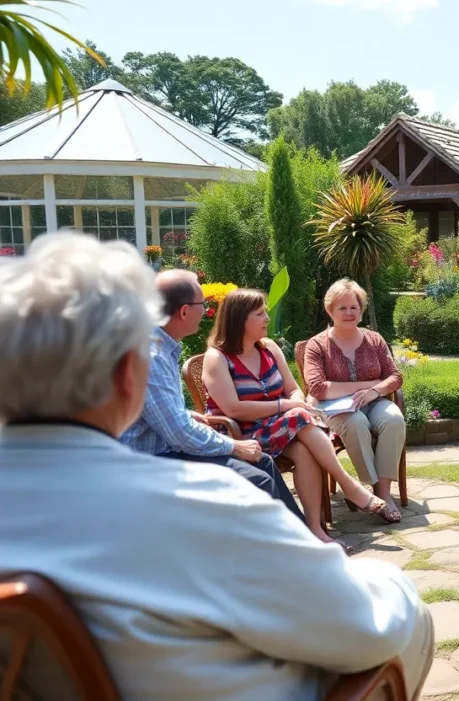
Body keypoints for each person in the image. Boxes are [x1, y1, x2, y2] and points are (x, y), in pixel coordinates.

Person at [0, 233, 433, 701]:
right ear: (130, 374)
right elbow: (364, 630)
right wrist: (389, 582)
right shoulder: (208, 503)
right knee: (410, 621)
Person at [202, 288, 391, 549]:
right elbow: (233, 409)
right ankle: (350, 487)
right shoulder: (217, 358)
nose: (267, 318)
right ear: (239, 319)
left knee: (304, 450)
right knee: (300, 416)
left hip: (276, 427)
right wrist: (285, 405)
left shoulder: (268, 348)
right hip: (239, 433)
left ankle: (314, 530)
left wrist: (294, 402)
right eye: (260, 313)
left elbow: (293, 389)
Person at [120, 269, 305, 524]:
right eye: (202, 304)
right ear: (184, 311)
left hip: (166, 451)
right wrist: (235, 446)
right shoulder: (151, 356)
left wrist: (185, 413)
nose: (206, 310)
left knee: (262, 463)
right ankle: (284, 552)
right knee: (257, 480)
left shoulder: (162, 346)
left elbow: (158, 411)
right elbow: (179, 434)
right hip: (148, 462)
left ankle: (303, 540)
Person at [304, 279, 405, 524]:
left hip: (373, 400)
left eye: (353, 307)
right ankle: (363, 491)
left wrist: (375, 391)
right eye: (342, 308)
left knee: (393, 419)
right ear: (330, 311)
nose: (349, 313)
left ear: (360, 310)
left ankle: (382, 494)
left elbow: (395, 376)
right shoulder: (316, 345)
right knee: (356, 422)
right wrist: (365, 385)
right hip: (334, 408)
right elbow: (317, 388)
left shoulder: (375, 340)